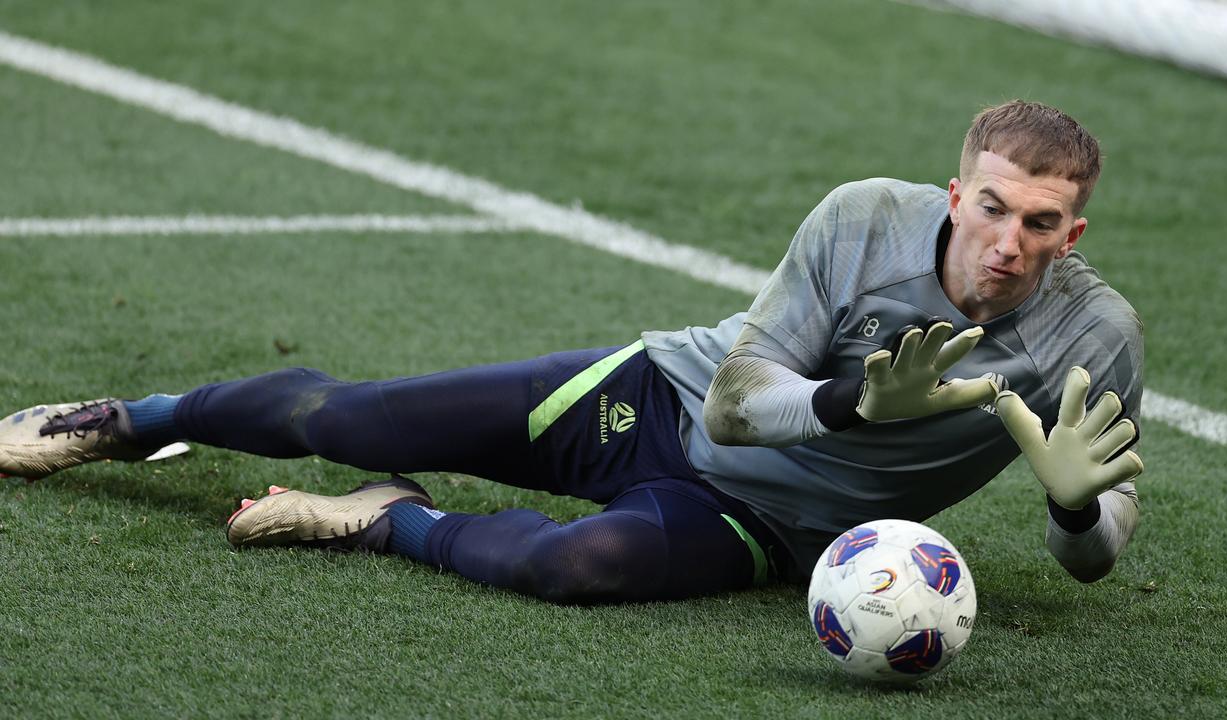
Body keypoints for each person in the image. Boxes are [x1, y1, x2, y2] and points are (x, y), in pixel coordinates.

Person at [0, 100, 1144, 603]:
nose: (1005, 243)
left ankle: (387, 518)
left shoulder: (1092, 340)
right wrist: (850, 407)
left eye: (1039, 224)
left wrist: (1073, 514)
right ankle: (138, 419)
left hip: (770, 525)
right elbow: (739, 404)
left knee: (569, 570)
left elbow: (1092, 555)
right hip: (658, 399)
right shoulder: (860, 219)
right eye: (991, 207)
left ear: (1070, 231)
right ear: (955, 191)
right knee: (341, 418)